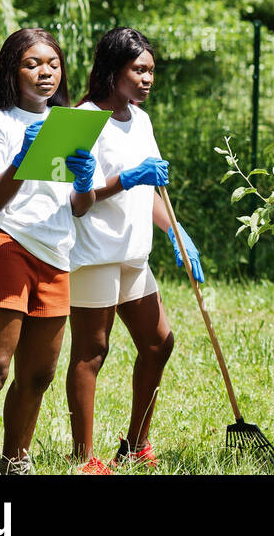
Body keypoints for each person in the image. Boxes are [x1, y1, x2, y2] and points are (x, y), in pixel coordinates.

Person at [65, 27, 204, 474]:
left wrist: (175, 230)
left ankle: (135, 444)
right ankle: (83, 458)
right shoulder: (81, 119)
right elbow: (76, 200)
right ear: (113, 69)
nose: (148, 79)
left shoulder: (140, 120)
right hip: (93, 253)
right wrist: (123, 179)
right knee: (92, 352)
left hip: (133, 252)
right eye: (138, 70)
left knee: (159, 343)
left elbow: (152, 191)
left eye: (151, 71)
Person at [0, 28, 96, 474]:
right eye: (33, 64)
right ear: (11, 71)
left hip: (56, 255)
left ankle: (15, 461)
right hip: (4, 248)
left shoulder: (68, 122)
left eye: (53, 64)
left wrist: (83, 182)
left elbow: (78, 207)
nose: (45, 73)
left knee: (40, 374)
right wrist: (21, 160)